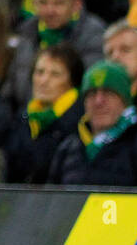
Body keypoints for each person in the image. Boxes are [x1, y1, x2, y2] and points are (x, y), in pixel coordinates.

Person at [49, 60, 137, 187]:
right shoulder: (67, 149)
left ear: (124, 101)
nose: (99, 101)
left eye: (108, 93)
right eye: (91, 94)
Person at [5, 0, 107, 106]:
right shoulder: (26, 33)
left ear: (76, 4)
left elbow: (90, 88)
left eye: (58, 3)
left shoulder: (94, 34)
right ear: (34, 3)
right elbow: (10, 87)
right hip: (26, 117)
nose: (50, 10)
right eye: (43, 2)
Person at [6, 44, 84, 184]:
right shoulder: (23, 118)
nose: (43, 81)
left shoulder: (81, 121)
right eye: (39, 72)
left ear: (72, 81)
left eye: (55, 74)